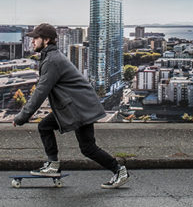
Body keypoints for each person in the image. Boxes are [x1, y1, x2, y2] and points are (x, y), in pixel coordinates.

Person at [12, 23, 129, 189]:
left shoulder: (52, 60)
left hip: (79, 107)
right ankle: (53, 164)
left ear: (46, 40)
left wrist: (22, 117)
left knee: (88, 148)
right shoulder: (51, 57)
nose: (32, 42)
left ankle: (119, 171)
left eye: (35, 39)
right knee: (45, 126)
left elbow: (40, 92)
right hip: (75, 106)